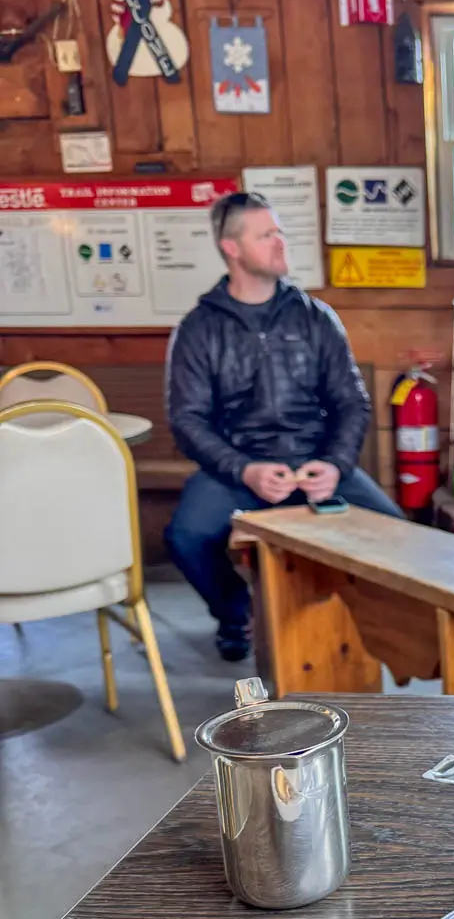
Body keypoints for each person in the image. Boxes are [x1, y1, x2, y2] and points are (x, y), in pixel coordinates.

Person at [165, 190, 402, 661]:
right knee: (186, 537)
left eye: (279, 232)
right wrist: (245, 470)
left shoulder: (316, 318)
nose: (280, 242)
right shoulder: (199, 328)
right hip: (237, 469)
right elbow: (187, 420)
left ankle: (370, 631)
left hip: (316, 461)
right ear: (232, 248)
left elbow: (351, 403)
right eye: (266, 234)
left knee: (398, 534)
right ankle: (237, 613)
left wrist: (335, 464)